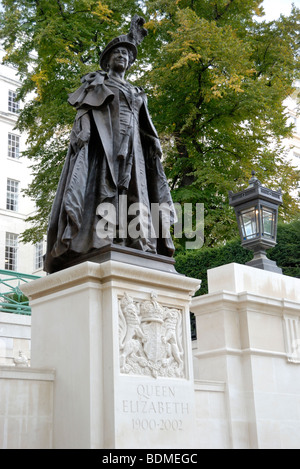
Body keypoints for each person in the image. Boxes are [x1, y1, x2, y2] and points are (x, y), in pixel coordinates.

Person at [44, 15, 176, 274]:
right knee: (106, 189)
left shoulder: (137, 91)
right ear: (108, 60)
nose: (123, 57)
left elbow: (144, 124)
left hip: (134, 149)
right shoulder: (98, 83)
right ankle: (104, 238)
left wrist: (154, 145)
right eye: (118, 53)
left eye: (127, 55)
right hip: (105, 146)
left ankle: (136, 239)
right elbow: (84, 111)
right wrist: (81, 130)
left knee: (137, 192)